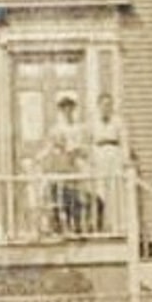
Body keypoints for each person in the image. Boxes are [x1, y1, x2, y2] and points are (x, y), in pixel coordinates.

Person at [36, 93, 91, 235]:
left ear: (73, 109)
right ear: (60, 110)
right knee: (59, 196)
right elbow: (50, 147)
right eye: (64, 108)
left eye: (70, 107)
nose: (67, 111)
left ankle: (78, 225)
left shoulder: (80, 128)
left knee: (78, 196)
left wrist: (77, 151)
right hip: (62, 166)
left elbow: (84, 148)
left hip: (76, 164)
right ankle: (59, 226)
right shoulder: (56, 129)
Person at [91, 93, 128, 232]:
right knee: (102, 190)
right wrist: (92, 160)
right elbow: (90, 142)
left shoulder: (118, 121)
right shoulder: (94, 122)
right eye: (103, 105)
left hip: (114, 153)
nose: (106, 108)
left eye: (109, 105)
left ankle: (119, 224)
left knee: (116, 189)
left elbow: (124, 141)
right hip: (100, 155)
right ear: (98, 106)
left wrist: (125, 158)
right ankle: (105, 225)